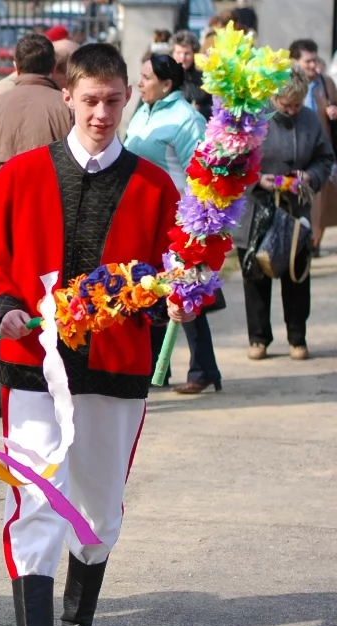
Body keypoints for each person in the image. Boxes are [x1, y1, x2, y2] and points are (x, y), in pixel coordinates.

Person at [0, 44, 188, 626]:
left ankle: (76, 625)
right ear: (68, 96)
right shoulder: (20, 176)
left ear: (128, 99)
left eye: (114, 100)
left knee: (98, 511)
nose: (101, 113)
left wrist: (182, 292)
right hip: (33, 368)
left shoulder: (154, 185)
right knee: (36, 500)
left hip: (117, 371)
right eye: (90, 100)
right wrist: (4, 308)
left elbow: (181, 269)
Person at [0, 33, 74, 417]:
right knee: (55, 299)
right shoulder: (64, 106)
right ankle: (58, 384)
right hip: (52, 221)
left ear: (14, 67)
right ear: (53, 68)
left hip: (0, 219)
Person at [125, 53, 222, 394]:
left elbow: (199, 173)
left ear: (167, 84)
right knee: (152, 288)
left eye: (146, 77)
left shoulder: (185, 119)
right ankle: (156, 370)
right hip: (144, 218)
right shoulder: (142, 111)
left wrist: (196, 224)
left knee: (185, 292)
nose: (140, 82)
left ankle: (204, 370)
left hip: (179, 221)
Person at [233, 64, 334, 362]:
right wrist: (257, 180)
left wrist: (310, 177)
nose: (290, 111)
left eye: (296, 105)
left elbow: (324, 158)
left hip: (294, 209)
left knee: (296, 274)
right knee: (255, 275)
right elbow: (234, 162)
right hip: (255, 209)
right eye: (284, 105)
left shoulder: (311, 121)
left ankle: (297, 337)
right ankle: (259, 337)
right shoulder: (252, 118)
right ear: (273, 97)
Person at [289, 39, 337, 255]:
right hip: (292, 151)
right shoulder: (283, 85)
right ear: (295, 61)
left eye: (314, 60)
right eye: (307, 61)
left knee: (319, 197)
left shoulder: (325, 83)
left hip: (318, 148)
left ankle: (313, 241)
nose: (312, 66)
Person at [0, 26, 79, 99]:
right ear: (54, 69)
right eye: (73, 79)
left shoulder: (4, 88)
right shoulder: (7, 90)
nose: (73, 87)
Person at [171, 30, 213, 119]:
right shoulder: (165, 77)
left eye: (187, 53)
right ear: (172, 53)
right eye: (178, 53)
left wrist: (201, 109)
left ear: (194, 54)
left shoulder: (203, 79)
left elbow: (213, 106)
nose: (182, 58)